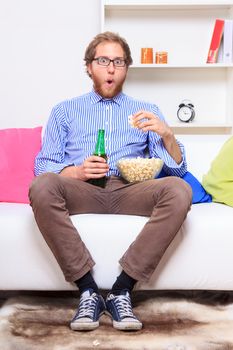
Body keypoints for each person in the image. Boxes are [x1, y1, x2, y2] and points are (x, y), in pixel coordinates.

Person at [29, 31, 192, 332]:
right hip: (82, 189)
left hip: (130, 189)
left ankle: (121, 290)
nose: (111, 68)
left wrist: (168, 135)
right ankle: (88, 290)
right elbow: (44, 165)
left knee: (180, 191)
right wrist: (76, 172)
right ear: (89, 67)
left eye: (119, 61)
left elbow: (177, 171)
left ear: (127, 68)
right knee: (41, 187)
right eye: (103, 60)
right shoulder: (65, 111)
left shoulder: (147, 111)